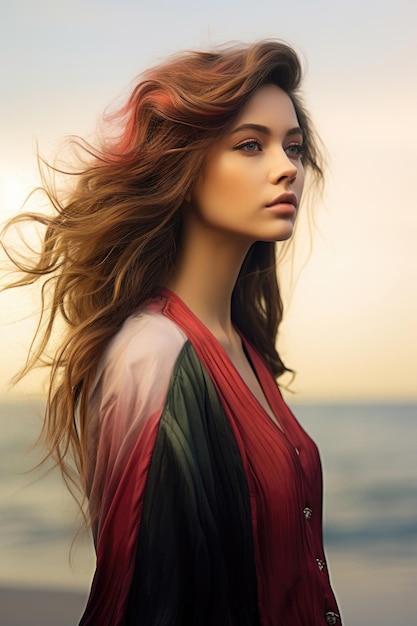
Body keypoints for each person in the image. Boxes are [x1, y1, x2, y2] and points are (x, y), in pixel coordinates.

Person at [2, 40, 342, 625]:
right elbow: (144, 600)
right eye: (250, 145)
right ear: (182, 167)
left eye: (293, 147)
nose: (287, 167)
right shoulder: (155, 355)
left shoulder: (241, 345)